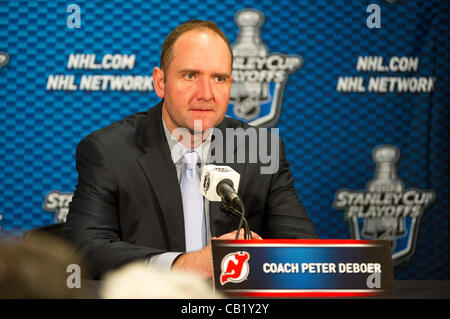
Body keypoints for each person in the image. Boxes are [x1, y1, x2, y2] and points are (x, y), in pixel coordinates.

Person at [65, 20, 318, 280]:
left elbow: (305, 252)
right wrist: (183, 265)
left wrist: (260, 258)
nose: (206, 94)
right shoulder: (109, 151)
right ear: (160, 82)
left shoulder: (260, 149)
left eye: (219, 79)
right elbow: (84, 249)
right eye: (190, 76)